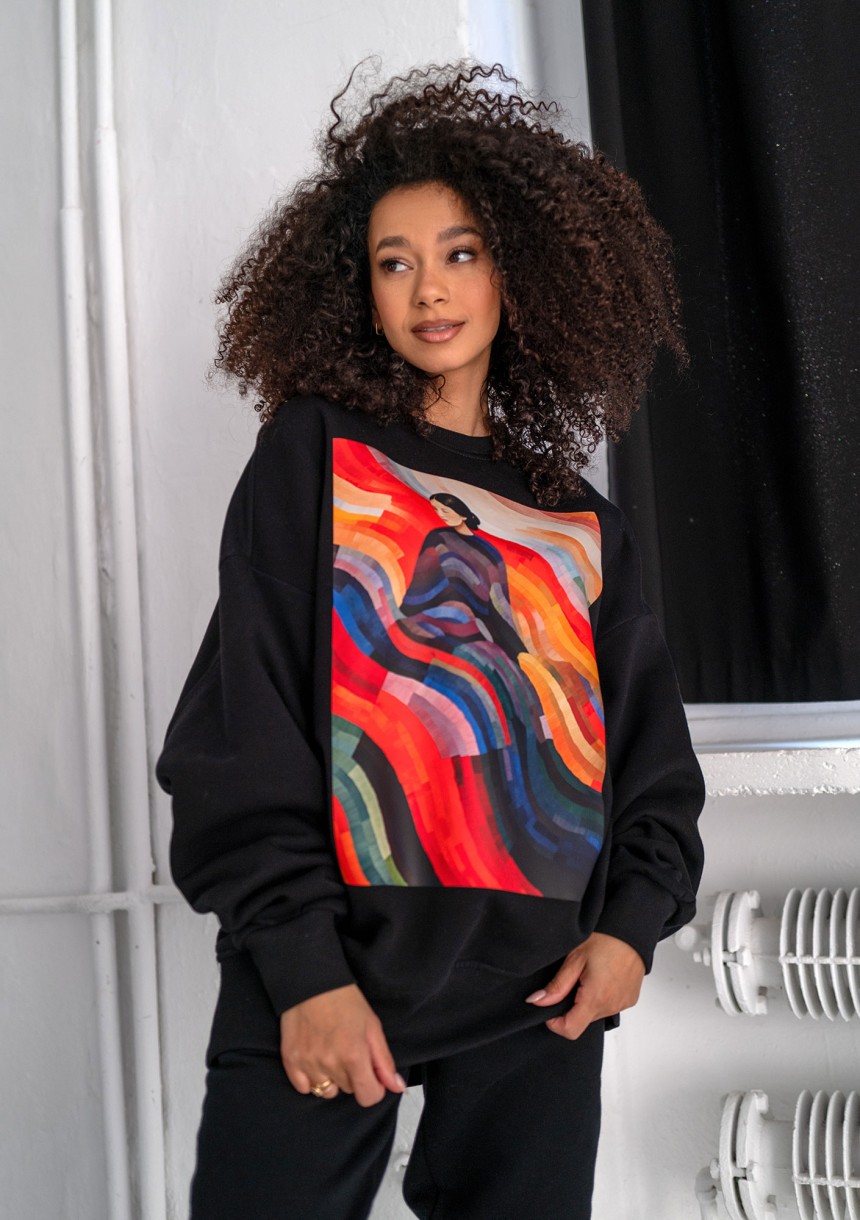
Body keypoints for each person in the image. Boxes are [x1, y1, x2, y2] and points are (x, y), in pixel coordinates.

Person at [155, 57, 706, 1220]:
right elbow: (241, 725)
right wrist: (301, 969)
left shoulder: (576, 519)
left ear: (518, 269)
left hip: (538, 997)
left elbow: (649, 755)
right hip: (333, 973)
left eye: (459, 252)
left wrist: (627, 932)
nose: (427, 289)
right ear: (358, 290)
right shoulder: (312, 455)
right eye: (392, 262)